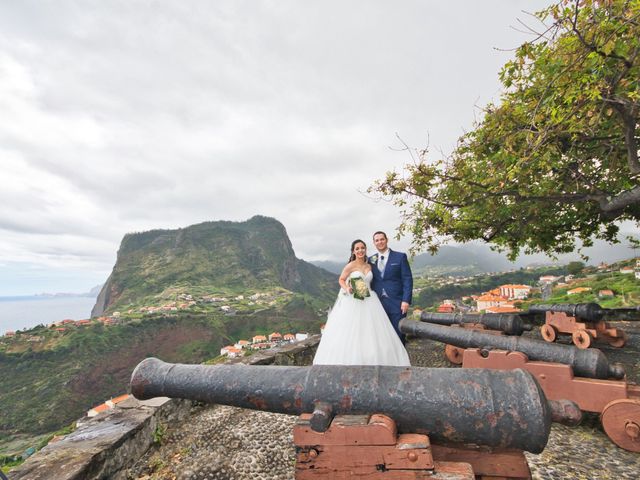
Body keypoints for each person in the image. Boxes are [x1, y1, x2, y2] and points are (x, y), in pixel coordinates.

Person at [312, 239, 410, 366]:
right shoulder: (350, 265)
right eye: (357, 248)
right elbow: (341, 279)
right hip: (353, 301)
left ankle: (373, 359)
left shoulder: (369, 265)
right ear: (353, 251)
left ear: (365, 249)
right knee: (352, 331)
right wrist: (347, 288)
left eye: (362, 248)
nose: (360, 250)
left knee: (372, 331)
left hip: (370, 300)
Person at [369, 231, 413, 344]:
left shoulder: (400, 257)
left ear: (386, 240)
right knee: (382, 334)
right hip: (378, 303)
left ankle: (401, 360)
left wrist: (406, 300)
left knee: (399, 333)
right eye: (377, 240)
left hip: (397, 302)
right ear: (374, 243)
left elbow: (407, 279)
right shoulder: (371, 259)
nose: (380, 242)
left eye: (382, 239)